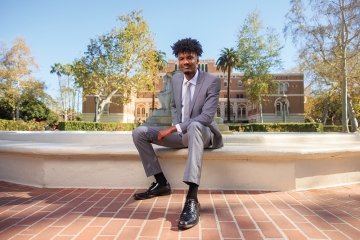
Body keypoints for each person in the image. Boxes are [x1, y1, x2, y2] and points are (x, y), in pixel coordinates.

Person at [132, 38, 223, 230]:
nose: (185, 62)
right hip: (182, 133)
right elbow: (174, 105)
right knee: (139, 132)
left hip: (203, 133)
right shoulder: (176, 79)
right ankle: (161, 183)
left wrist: (174, 128)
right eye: (181, 58)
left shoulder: (212, 81)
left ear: (197, 58)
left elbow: (206, 117)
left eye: (189, 57)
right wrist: (176, 124)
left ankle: (192, 200)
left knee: (196, 126)